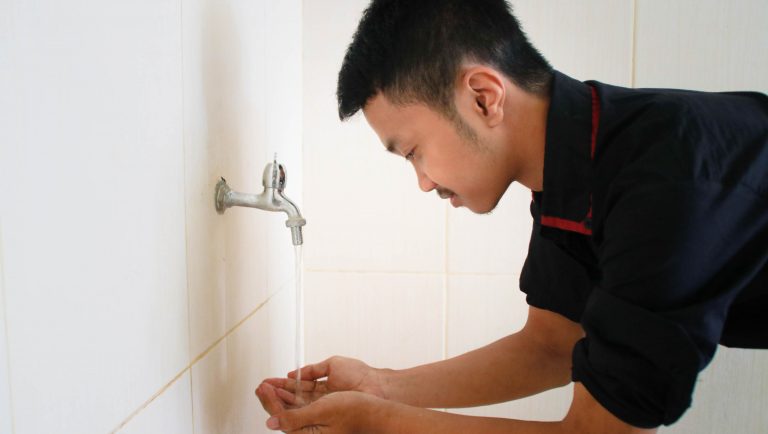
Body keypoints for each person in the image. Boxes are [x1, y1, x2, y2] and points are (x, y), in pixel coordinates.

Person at [256, 0, 768, 432]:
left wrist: (382, 422)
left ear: (484, 97)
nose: (423, 182)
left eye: (413, 151)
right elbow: (552, 344)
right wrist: (381, 386)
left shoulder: (664, 180)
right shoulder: (575, 163)